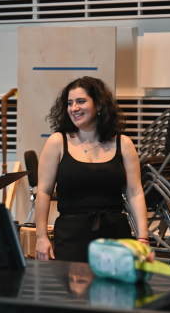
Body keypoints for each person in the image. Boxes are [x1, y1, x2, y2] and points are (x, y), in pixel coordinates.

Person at [35, 76, 148, 262]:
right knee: (73, 291)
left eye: (81, 101)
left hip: (115, 233)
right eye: (70, 103)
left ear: (99, 105)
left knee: (115, 290)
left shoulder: (123, 143)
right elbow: (44, 192)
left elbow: (135, 193)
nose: (74, 108)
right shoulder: (57, 142)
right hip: (71, 235)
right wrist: (41, 237)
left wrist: (143, 238)